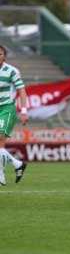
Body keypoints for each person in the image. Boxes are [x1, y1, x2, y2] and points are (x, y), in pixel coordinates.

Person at [0, 45, 28, 186]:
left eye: (0, 54)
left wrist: (23, 111)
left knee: (0, 141)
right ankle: (18, 164)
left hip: (7, 108)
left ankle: (1, 175)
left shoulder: (11, 71)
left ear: (4, 56)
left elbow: (22, 91)